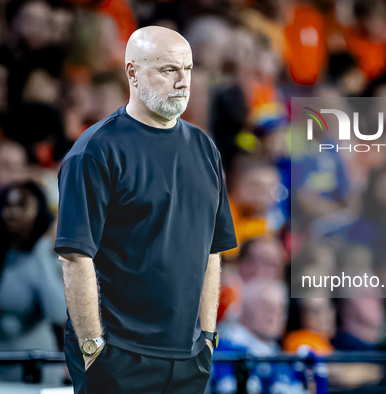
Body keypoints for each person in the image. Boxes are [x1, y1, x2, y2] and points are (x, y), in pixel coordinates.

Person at [54, 26, 237, 394]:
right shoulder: (96, 150)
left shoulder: (205, 149)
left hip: (189, 357)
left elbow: (212, 250)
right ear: (133, 73)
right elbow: (75, 256)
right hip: (119, 357)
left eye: (188, 69)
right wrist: (93, 346)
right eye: (169, 70)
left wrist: (208, 335)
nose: (183, 81)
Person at [0, 181, 66, 382]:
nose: (12, 212)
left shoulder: (48, 259)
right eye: (7, 205)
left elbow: (58, 314)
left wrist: (41, 252)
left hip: (36, 369)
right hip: (3, 366)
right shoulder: (4, 257)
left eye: (21, 205)